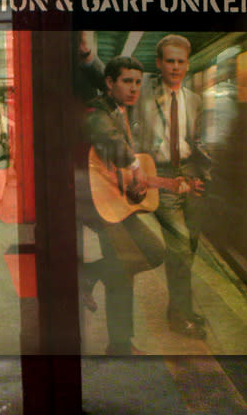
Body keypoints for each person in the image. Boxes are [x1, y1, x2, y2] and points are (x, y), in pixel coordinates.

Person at [80, 56, 165, 355]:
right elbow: (108, 138)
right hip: (99, 204)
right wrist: (134, 167)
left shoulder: (120, 112)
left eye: (138, 83)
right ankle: (119, 344)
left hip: (114, 202)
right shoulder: (98, 111)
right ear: (109, 82)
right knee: (146, 255)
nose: (133, 88)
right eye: (127, 81)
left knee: (126, 267)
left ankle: (119, 341)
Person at [132, 34, 211, 339]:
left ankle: (181, 308)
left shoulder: (194, 99)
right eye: (170, 61)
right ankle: (179, 316)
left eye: (181, 61)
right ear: (159, 63)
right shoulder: (143, 97)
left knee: (190, 244)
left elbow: (196, 140)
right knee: (179, 244)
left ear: (187, 64)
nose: (175, 67)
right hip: (161, 175)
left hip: (189, 175)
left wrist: (202, 171)